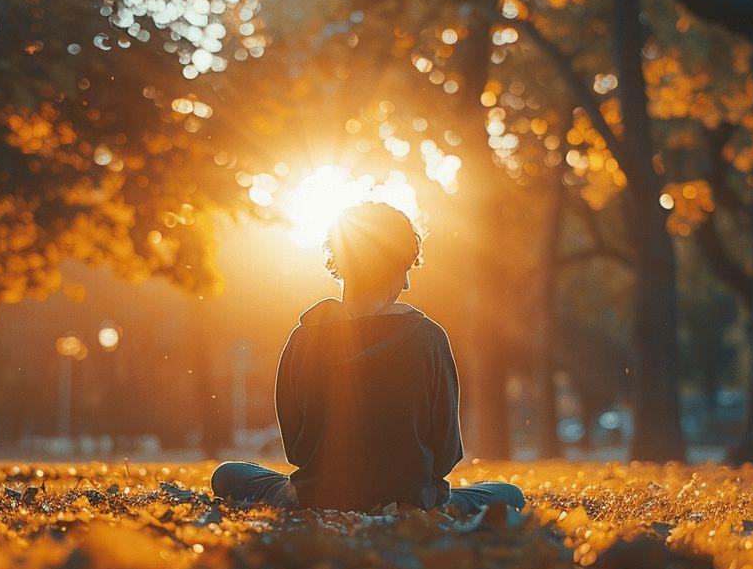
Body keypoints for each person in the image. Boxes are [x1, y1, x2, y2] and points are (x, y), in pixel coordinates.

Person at [210, 201, 524, 514]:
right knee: (507, 493)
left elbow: (295, 446)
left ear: (340, 262)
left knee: (229, 474)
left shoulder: (303, 338)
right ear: (398, 268)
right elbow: (445, 453)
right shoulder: (429, 338)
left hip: (317, 495)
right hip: (410, 501)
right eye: (406, 269)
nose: (407, 283)